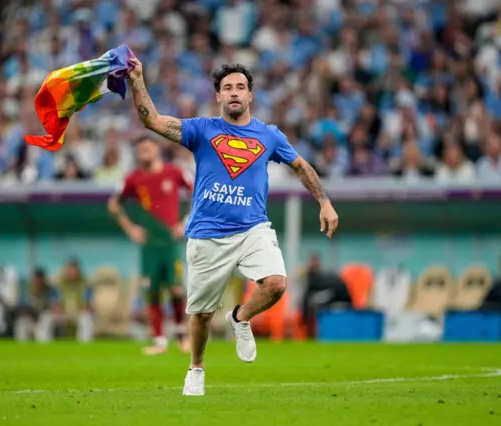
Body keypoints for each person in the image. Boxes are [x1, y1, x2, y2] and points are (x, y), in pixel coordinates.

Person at [126, 58, 339, 396]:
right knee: (201, 315)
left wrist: (324, 202)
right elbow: (152, 120)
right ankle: (196, 367)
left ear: (250, 96)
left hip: (253, 229)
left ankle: (240, 317)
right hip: (207, 235)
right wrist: (137, 79)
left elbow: (300, 165)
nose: (235, 93)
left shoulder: (269, 135)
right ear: (218, 96)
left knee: (276, 284)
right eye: (228, 88)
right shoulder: (202, 130)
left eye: (240, 87)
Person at [108, 135, 192, 355]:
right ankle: (159, 341)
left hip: (170, 242)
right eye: (141, 148)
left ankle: (182, 336)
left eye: (148, 147)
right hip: (149, 246)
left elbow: (198, 191)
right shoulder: (133, 179)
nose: (144, 151)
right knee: (152, 292)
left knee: (175, 288)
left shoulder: (173, 172)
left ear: (157, 149)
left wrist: (186, 222)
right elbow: (114, 205)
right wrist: (130, 228)